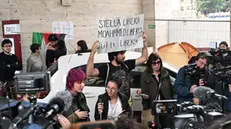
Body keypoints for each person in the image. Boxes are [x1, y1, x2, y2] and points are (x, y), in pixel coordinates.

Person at [86, 32, 148, 98]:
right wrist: (92, 53)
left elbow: (144, 58)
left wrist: (144, 43)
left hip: (126, 103)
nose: (124, 56)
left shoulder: (126, 65)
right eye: (121, 54)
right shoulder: (106, 67)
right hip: (112, 103)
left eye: (124, 53)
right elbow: (90, 73)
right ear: (114, 56)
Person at [140, 53, 174, 129]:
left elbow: (171, 90)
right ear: (150, 64)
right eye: (154, 63)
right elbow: (144, 91)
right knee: (154, 126)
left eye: (158, 62)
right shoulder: (145, 75)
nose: (157, 65)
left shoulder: (164, 73)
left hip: (164, 105)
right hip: (153, 106)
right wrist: (145, 98)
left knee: (166, 125)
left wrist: (171, 103)